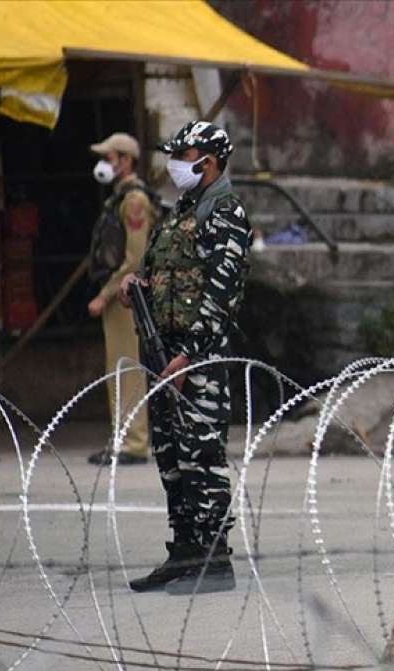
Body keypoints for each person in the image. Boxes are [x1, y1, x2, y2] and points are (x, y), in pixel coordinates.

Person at [119, 121, 253, 594]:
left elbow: (220, 296)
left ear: (209, 161)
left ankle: (215, 559)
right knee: (171, 457)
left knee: (202, 458)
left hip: (199, 357)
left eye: (184, 153)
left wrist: (188, 356)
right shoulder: (181, 212)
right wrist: (136, 285)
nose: (175, 162)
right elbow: (161, 271)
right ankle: (185, 551)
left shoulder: (226, 213)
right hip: (162, 351)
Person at [86, 132, 156, 466]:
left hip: (127, 296)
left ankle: (134, 441)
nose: (104, 164)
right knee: (117, 367)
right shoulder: (119, 197)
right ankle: (123, 438)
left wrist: (106, 294)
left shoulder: (134, 200)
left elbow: (134, 259)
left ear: (126, 160)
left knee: (127, 367)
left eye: (110, 157)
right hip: (119, 294)